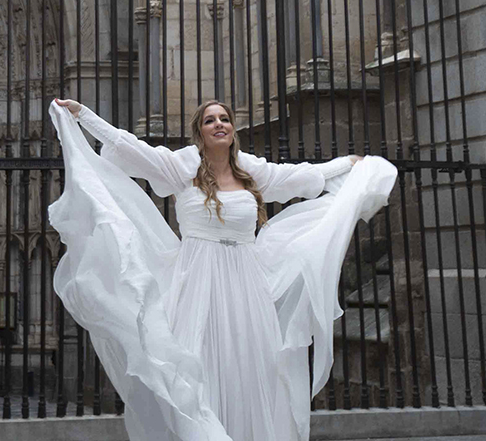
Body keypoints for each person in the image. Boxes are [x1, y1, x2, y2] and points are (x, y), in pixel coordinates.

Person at [47, 97, 398, 441]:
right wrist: (84, 115)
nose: (219, 124)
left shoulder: (251, 172)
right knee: (200, 365)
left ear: (233, 129)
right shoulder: (181, 168)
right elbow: (130, 145)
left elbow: (301, 175)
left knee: (249, 367)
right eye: (210, 120)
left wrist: (349, 164)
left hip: (246, 284)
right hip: (198, 282)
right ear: (200, 132)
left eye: (225, 119)